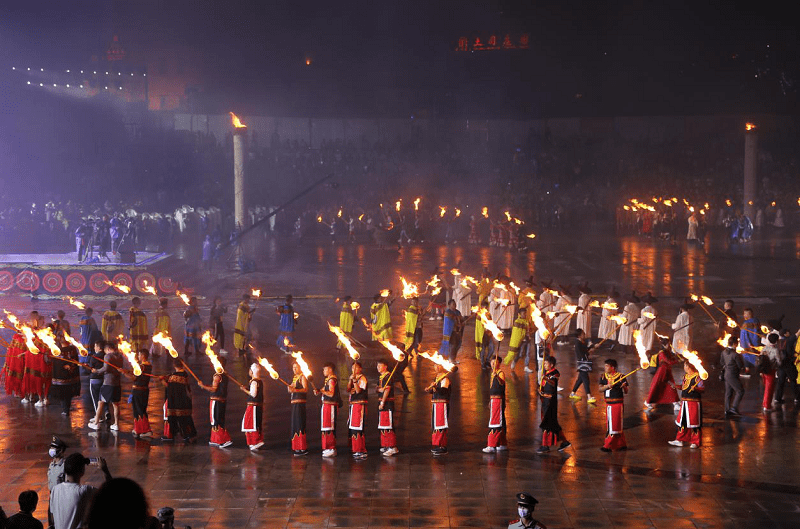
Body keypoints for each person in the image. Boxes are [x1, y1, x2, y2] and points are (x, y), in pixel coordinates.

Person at [50, 454, 112, 529]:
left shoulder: (55, 489)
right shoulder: (84, 491)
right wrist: (105, 470)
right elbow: (110, 491)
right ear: (82, 472)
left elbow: (53, 515)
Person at [537, 356, 571, 453]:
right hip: (545, 401)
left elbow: (552, 383)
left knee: (546, 423)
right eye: (544, 364)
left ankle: (545, 445)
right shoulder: (546, 373)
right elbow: (544, 387)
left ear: (551, 365)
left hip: (551, 402)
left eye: (546, 364)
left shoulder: (555, 373)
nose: (545, 365)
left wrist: (546, 379)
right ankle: (564, 442)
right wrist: (541, 392)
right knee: (553, 424)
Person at [197, 357, 232, 448]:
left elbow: (213, 389)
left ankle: (223, 440)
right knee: (219, 419)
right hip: (222, 400)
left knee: (216, 420)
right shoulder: (225, 374)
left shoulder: (217, 376)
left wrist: (202, 386)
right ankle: (215, 439)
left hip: (216, 401)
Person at [88, 341, 123, 431]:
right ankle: (116, 424)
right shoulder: (120, 356)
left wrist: (97, 371)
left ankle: (96, 423)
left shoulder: (108, 356)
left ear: (107, 349)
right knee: (115, 404)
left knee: (100, 403)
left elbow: (106, 368)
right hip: (117, 383)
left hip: (108, 383)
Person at [669, 361, 705, 448]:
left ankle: (695, 442)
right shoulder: (685, 376)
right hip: (685, 402)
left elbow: (702, 389)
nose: (684, 367)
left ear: (689, 367)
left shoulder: (698, 377)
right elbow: (684, 387)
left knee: (694, 423)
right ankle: (680, 440)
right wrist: (676, 386)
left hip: (694, 403)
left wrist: (696, 389)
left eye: (685, 365)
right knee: (683, 421)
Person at [162, 358, 197, 443]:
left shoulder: (173, 377)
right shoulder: (185, 374)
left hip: (177, 402)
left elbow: (169, 387)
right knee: (186, 418)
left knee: (177, 419)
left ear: (174, 365)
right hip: (186, 400)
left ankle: (179, 434)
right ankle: (190, 434)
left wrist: (162, 380)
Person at [599, 359, 628, 452]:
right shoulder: (603, 376)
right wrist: (607, 386)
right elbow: (600, 389)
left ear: (613, 367)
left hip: (617, 403)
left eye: (607, 366)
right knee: (611, 424)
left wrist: (624, 386)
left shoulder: (621, 376)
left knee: (614, 425)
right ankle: (621, 444)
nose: (605, 367)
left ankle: (608, 445)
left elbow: (626, 391)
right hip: (608, 404)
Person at [644, 338, 680, 411]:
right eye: (668, 344)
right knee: (656, 386)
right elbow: (669, 361)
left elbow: (671, 358)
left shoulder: (667, 351)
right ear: (664, 344)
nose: (669, 345)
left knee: (671, 386)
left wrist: (676, 356)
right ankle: (648, 402)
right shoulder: (662, 353)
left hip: (667, 371)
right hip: (662, 372)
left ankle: (675, 403)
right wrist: (678, 360)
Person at [315, 362, 341, 457]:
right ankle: (327, 447)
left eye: (325, 369)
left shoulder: (332, 380)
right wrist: (318, 391)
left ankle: (331, 448)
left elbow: (331, 393)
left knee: (330, 427)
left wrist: (321, 391)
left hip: (330, 407)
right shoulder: (328, 380)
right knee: (326, 427)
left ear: (330, 370)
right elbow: (323, 390)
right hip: (326, 406)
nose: (323, 371)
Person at [50, 334, 80, 416]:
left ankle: (65, 409)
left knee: (63, 394)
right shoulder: (73, 349)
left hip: (61, 377)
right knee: (68, 394)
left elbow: (54, 362)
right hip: (71, 376)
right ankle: (66, 408)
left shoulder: (58, 351)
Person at [483, 356, 507, 453]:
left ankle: (492, 445)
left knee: (495, 421)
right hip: (493, 400)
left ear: (499, 363)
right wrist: (490, 400)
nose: (493, 364)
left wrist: (496, 377)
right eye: (492, 362)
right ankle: (502, 443)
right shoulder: (493, 374)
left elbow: (501, 383)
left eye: (495, 362)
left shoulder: (500, 373)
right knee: (500, 422)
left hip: (498, 400)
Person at [426, 363, 451, 456]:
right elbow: (434, 391)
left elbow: (443, 391)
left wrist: (435, 387)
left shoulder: (445, 379)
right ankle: (437, 445)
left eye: (438, 365)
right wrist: (430, 390)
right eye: (435, 365)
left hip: (442, 404)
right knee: (436, 425)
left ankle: (442, 447)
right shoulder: (436, 378)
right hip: (435, 404)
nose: (436, 367)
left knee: (441, 425)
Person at [376, 358, 399, 456]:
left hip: (387, 403)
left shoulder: (388, 376)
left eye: (380, 366)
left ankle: (392, 447)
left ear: (385, 367)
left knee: (388, 424)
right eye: (377, 366)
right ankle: (386, 445)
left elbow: (387, 391)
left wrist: (383, 403)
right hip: (382, 403)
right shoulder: (381, 377)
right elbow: (378, 388)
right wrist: (379, 389)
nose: (378, 367)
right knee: (383, 425)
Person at [128, 349, 153, 439]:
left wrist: (124, 373)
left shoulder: (142, 367)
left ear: (142, 356)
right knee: (138, 409)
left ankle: (147, 430)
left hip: (139, 391)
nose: (138, 357)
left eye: (139, 355)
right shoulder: (148, 365)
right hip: (143, 390)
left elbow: (135, 378)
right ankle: (138, 429)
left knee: (139, 409)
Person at [346, 361, 368, 460]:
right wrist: (351, 381)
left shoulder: (362, 378)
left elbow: (359, 391)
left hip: (359, 405)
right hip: (353, 405)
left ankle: (360, 450)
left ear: (360, 369)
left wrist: (355, 382)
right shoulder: (352, 377)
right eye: (352, 368)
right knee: (353, 427)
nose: (354, 370)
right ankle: (355, 448)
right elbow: (348, 389)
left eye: (356, 368)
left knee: (358, 427)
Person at [569, 328, 598, 403]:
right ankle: (589, 397)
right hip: (582, 363)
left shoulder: (582, 342)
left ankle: (572, 393)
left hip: (584, 361)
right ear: (579, 335)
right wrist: (590, 351)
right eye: (583, 334)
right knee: (586, 379)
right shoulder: (577, 343)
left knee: (580, 379)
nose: (584, 334)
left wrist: (593, 347)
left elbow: (586, 350)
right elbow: (583, 353)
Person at [241, 363, 264, 450]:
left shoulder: (254, 381)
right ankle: (254, 442)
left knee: (250, 423)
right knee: (255, 423)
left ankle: (255, 441)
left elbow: (253, 394)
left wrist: (244, 390)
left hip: (253, 406)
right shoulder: (259, 381)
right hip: (258, 406)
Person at [720, 335, 745, 416]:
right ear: (734, 344)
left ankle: (727, 410)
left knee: (728, 393)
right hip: (733, 375)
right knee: (740, 390)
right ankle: (734, 408)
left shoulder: (723, 352)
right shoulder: (735, 354)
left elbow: (722, 362)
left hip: (726, 374)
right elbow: (740, 365)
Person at [288, 361, 309, 456]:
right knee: (295, 424)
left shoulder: (302, 377)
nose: (294, 369)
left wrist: (295, 390)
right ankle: (296, 447)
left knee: (300, 424)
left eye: (296, 367)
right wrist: (290, 388)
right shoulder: (294, 378)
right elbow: (291, 388)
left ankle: (302, 448)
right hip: (294, 404)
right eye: (293, 367)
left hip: (300, 404)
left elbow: (305, 389)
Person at [47, 436, 68, 528]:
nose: (51, 450)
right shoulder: (51, 464)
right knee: (51, 522)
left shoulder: (64, 466)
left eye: (54, 448)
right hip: (51, 496)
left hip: (61, 497)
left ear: (61, 451)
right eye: (51, 447)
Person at [760, 333, 781, 412]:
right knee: (769, 389)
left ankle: (765, 403)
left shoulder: (764, 348)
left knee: (766, 387)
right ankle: (767, 406)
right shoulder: (775, 350)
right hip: (771, 370)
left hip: (764, 371)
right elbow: (779, 362)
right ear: (776, 341)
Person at [505, 307, 531, 372]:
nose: (525, 315)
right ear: (519, 314)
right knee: (520, 354)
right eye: (523, 313)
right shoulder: (517, 321)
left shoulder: (527, 321)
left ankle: (526, 366)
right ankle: (514, 361)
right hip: (522, 341)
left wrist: (529, 331)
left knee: (528, 353)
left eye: (525, 313)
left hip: (528, 339)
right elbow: (517, 333)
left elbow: (529, 329)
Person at [739, 308, 760, 374]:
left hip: (748, 344)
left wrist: (743, 344)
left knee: (746, 355)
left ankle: (747, 371)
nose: (744, 315)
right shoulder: (756, 321)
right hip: (757, 343)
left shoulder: (746, 324)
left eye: (745, 314)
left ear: (749, 314)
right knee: (758, 357)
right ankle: (761, 371)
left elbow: (743, 335)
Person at [475, 299, 495, 370]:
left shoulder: (489, 314)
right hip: (482, 336)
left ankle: (487, 361)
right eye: (484, 307)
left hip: (488, 335)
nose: (486, 309)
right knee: (482, 350)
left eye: (487, 307)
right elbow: (480, 325)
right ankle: (482, 363)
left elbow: (491, 322)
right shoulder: (479, 315)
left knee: (492, 348)